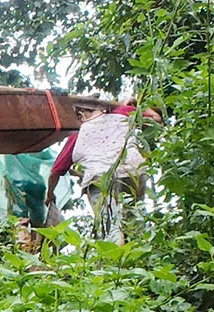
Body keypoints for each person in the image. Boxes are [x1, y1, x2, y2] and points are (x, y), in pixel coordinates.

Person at [46, 102, 155, 238]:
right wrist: (136, 104)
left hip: (100, 178)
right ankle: (140, 251)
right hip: (134, 171)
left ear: (81, 114)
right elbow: (155, 119)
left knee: (111, 227)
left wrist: (50, 194)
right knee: (135, 219)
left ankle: (116, 251)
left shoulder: (78, 134)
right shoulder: (122, 113)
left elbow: (55, 172)